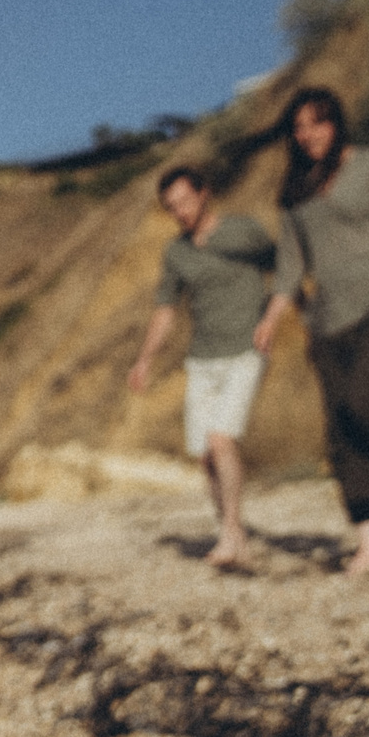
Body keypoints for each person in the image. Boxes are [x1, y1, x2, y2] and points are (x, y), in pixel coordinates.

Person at [250, 86, 369, 572]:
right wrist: (271, 318)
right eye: (299, 128)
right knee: (341, 434)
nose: (308, 134)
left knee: (364, 401)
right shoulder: (295, 195)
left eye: (317, 122)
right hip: (328, 323)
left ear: (336, 123)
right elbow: (291, 267)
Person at [126, 163, 278, 567]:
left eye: (185, 202)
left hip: (246, 351)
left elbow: (285, 269)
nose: (180, 212)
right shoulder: (176, 253)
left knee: (221, 441)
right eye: (171, 207)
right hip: (202, 359)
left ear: (204, 193)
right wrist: (144, 360)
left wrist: (273, 318)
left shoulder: (242, 231)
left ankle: (231, 534)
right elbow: (165, 309)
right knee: (205, 456)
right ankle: (232, 531)